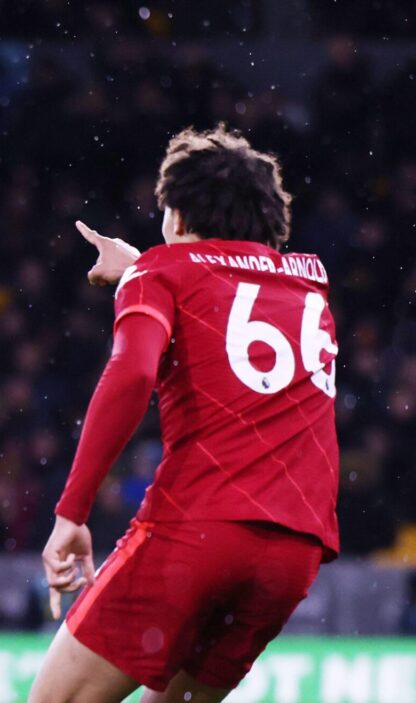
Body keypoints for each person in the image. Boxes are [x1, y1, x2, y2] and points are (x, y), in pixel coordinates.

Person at [30, 125, 339, 703]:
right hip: (294, 551)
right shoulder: (309, 288)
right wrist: (145, 267)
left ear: (175, 212)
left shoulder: (161, 273)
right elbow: (227, 297)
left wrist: (72, 512)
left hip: (197, 530)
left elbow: (132, 374)